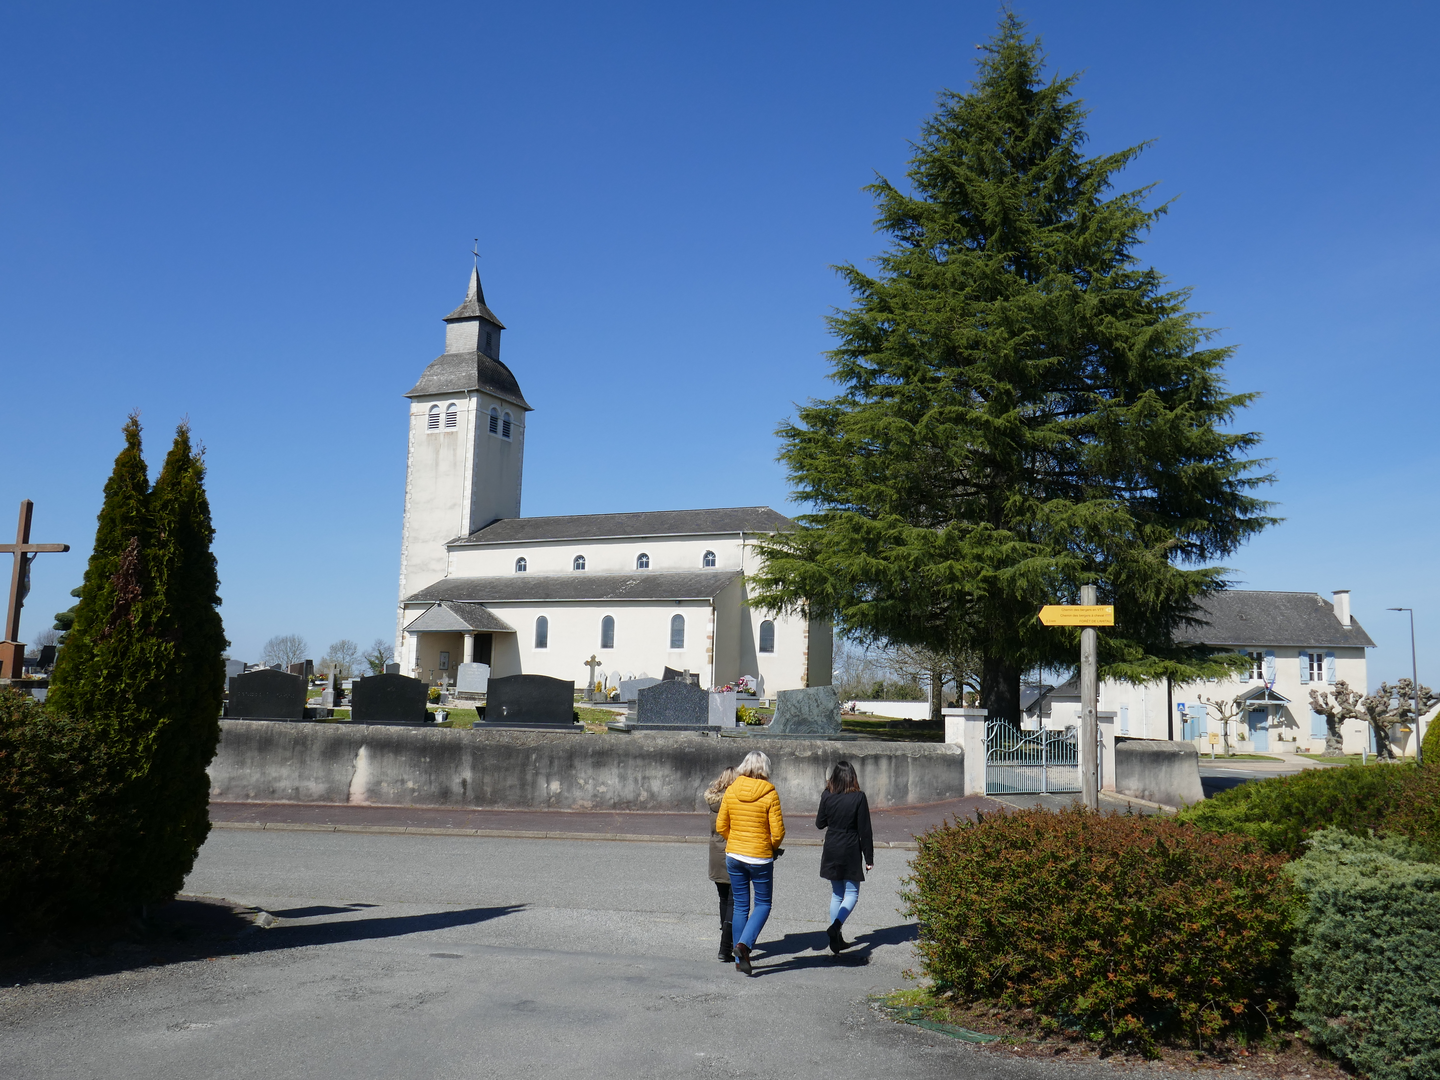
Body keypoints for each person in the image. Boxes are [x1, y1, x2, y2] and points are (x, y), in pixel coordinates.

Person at [716, 750, 785, 975]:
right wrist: (771, 848)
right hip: (760, 856)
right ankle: (743, 946)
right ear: (765, 769)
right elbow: (778, 833)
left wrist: (734, 841)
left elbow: (721, 825)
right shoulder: (770, 793)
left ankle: (739, 960)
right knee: (763, 904)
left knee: (740, 906)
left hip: (734, 855)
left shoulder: (731, 789)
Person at [814, 759, 873, 955]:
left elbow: (819, 824)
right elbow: (865, 830)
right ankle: (836, 926)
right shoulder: (859, 797)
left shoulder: (827, 795)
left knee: (837, 894)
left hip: (832, 845)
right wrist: (869, 858)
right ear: (852, 777)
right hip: (850, 847)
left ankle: (836, 938)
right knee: (852, 894)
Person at [703, 766, 739, 962]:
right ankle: (726, 945)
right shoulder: (734, 802)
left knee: (723, 899)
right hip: (732, 852)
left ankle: (726, 936)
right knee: (735, 900)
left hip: (715, 853)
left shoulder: (713, 802)